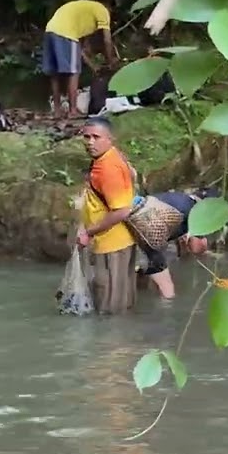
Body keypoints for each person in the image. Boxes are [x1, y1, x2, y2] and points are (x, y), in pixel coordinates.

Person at [76, 117, 136, 314]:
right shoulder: (111, 156)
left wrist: (89, 231)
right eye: (87, 137)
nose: (90, 142)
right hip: (119, 239)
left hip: (112, 242)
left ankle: (111, 342)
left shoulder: (107, 168)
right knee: (118, 295)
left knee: (109, 302)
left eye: (96, 137)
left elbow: (121, 211)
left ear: (110, 139)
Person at [43, 0, 118, 120]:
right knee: (74, 72)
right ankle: (73, 112)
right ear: (109, 8)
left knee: (55, 73)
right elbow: (107, 40)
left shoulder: (86, 13)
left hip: (50, 30)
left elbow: (81, 50)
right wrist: (111, 61)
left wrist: (93, 66)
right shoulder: (103, 10)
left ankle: (57, 111)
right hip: (66, 32)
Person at [135, 190, 215, 300]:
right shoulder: (197, 213)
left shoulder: (178, 198)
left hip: (133, 221)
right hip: (149, 234)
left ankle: (141, 292)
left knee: (143, 268)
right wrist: (203, 242)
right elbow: (196, 248)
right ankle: (165, 310)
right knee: (168, 290)